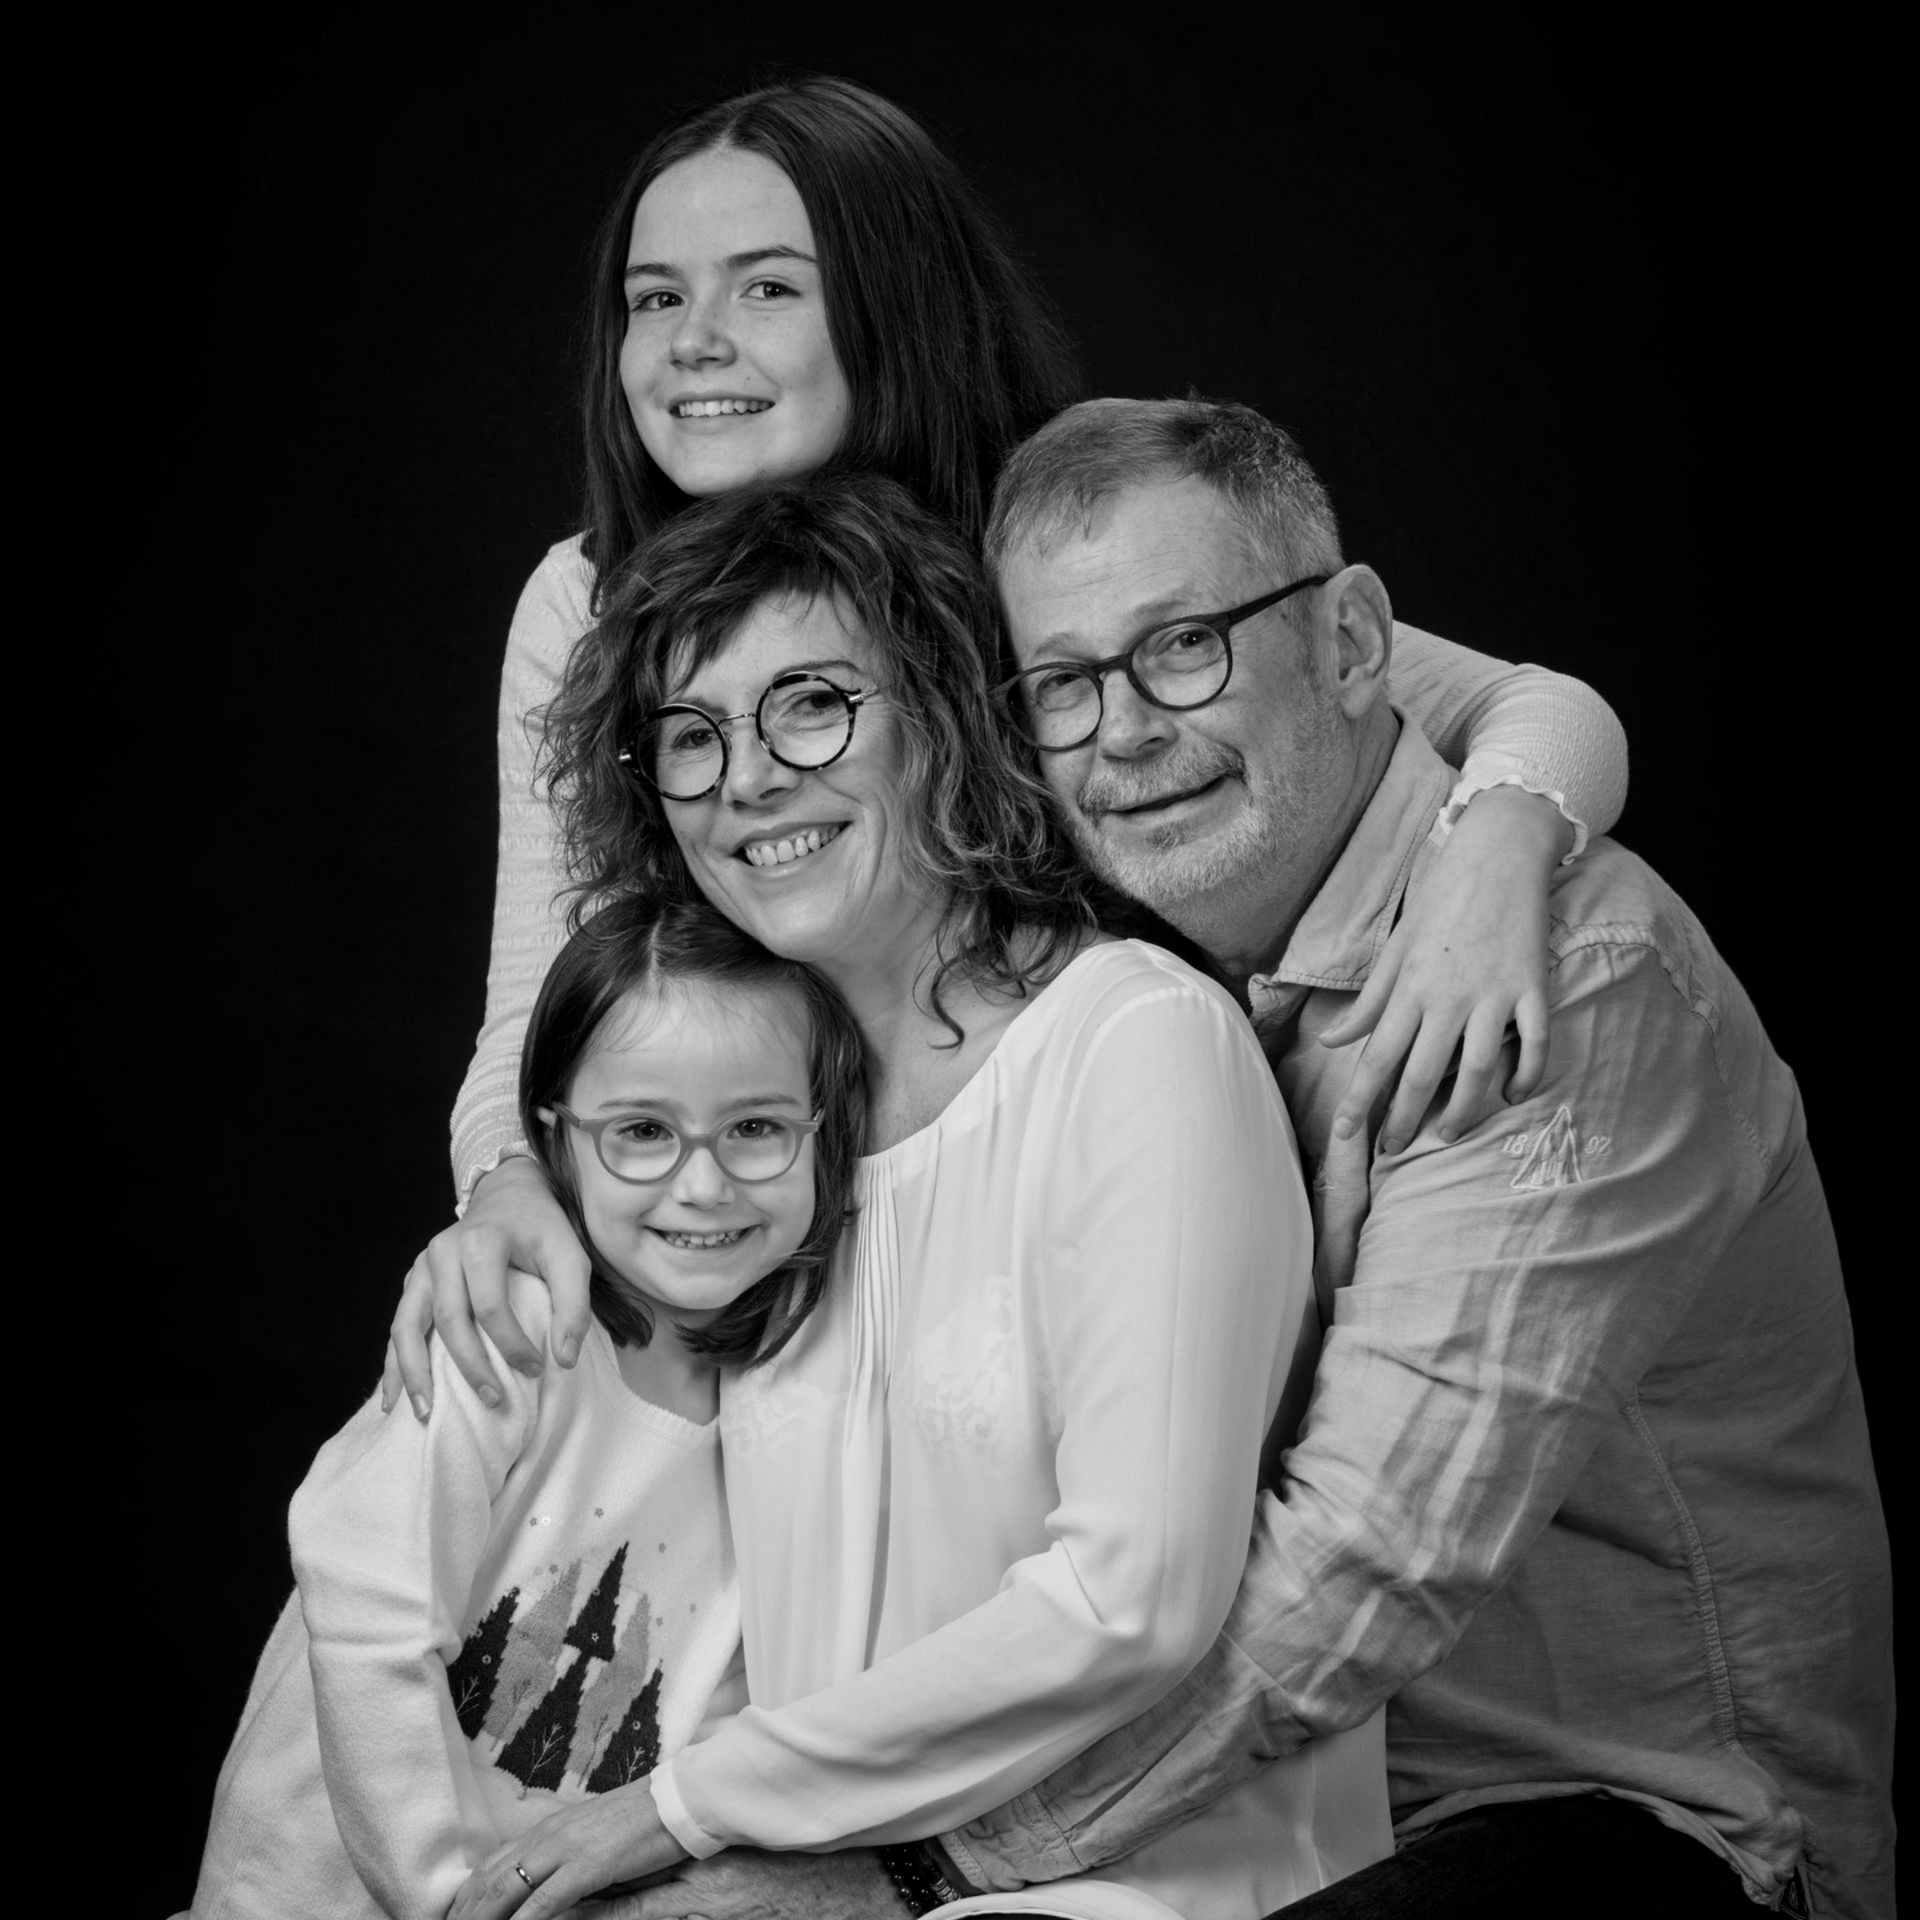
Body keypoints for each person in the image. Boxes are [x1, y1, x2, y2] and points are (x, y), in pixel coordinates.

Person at [389, 74, 1632, 1416]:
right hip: (786, 1207)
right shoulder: (586, 601)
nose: (693, 342)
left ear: (893, 304)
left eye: (767, 288)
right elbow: (536, 994)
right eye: (653, 298)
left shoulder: (1037, 547)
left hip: (1090, 1180)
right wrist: (507, 1184)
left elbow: (1533, 707)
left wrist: (1494, 853)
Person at [910, 398, 1883, 1920]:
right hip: (1293, 1807)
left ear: (1358, 644)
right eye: (1066, 682)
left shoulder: (1561, 981)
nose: (1126, 732)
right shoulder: (1164, 979)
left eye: (1184, 647)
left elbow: (1364, 1563)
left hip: (1640, 1831)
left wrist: (921, 1861)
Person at [445, 472, 1395, 1920]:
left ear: (945, 718)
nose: (748, 778)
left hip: (1148, 1888)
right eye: (692, 736)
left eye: (812, 706)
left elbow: (1133, 1599)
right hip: (816, 1883)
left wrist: (684, 1808)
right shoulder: (750, 1135)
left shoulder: (1136, 1048)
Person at [185, 896, 865, 1920]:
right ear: (554, 1137)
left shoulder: (797, 1400)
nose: (703, 1184)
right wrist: (446, 1897)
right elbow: (367, 1606)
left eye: (757, 1128)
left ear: (825, 1133)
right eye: (643, 1131)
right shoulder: (509, 1332)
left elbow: (734, 1702)